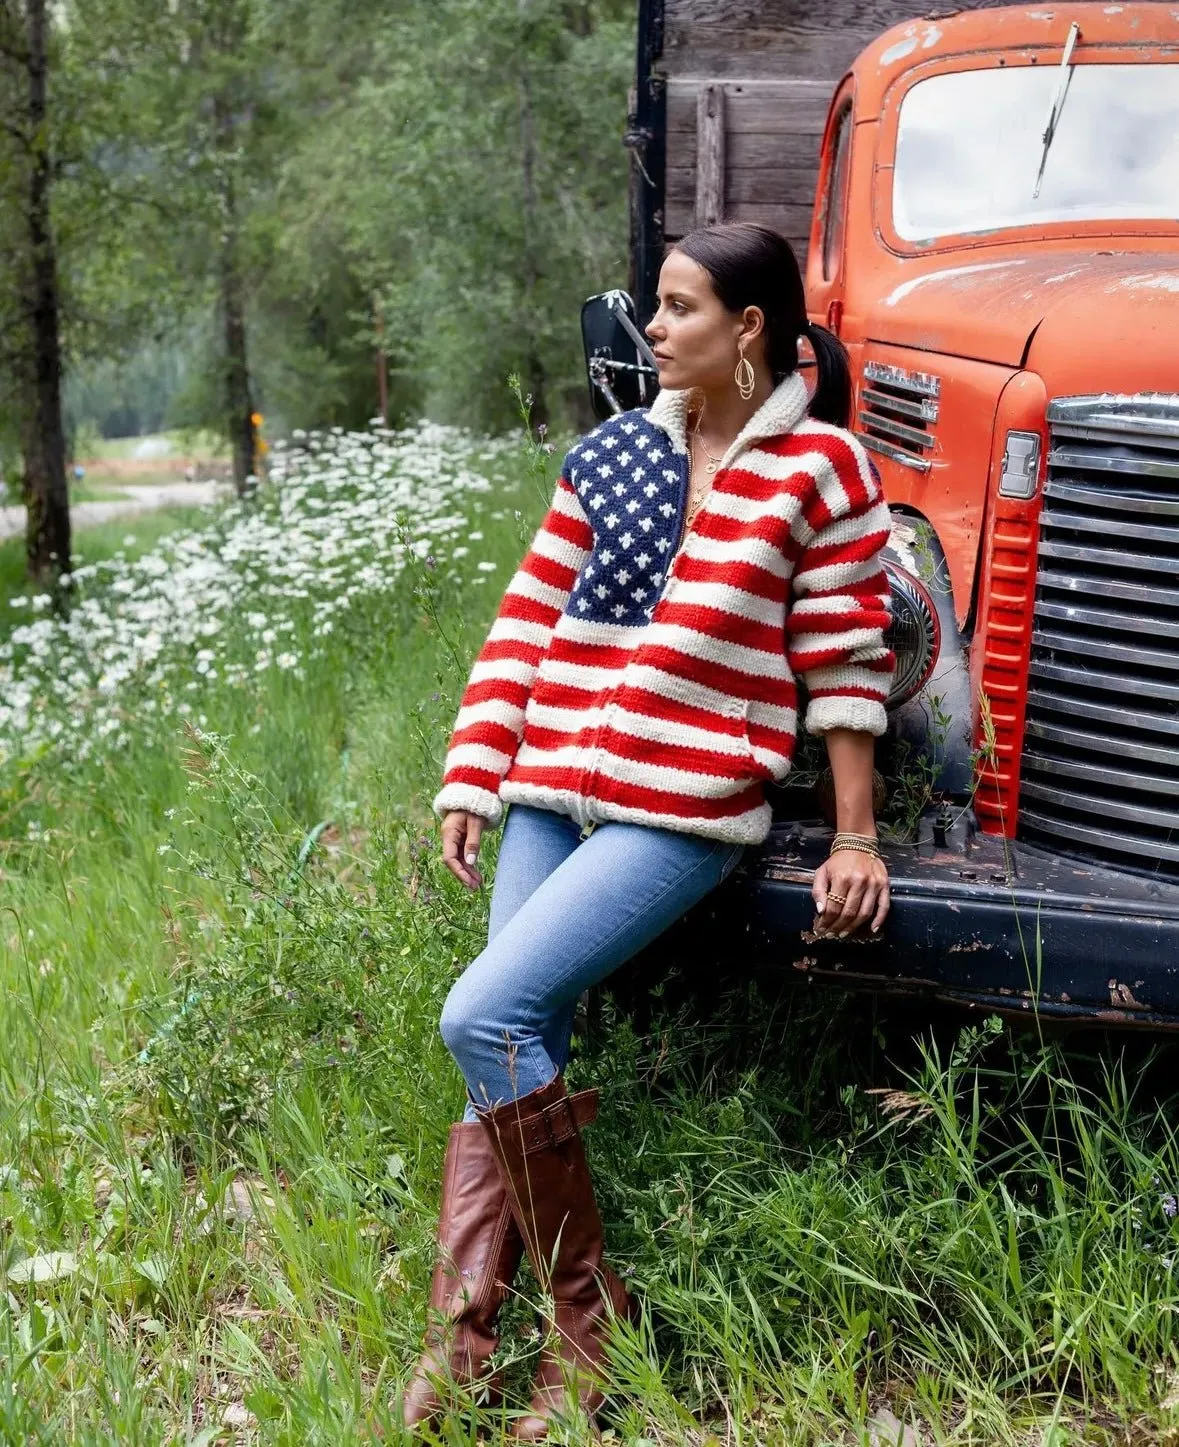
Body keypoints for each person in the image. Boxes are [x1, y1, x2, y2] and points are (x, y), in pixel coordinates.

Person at [402, 220, 896, 1439]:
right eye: (653, 306)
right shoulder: (611, 456)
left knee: (484, 1013)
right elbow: (527, 625)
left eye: (677, 308)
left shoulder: (822, 474)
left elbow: (844, 667)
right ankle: (469, 1334)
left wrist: (857, 837)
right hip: (548, 792)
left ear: (749, 332)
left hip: (679, 807)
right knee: (518, 1029)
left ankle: (583, 1318)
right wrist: (477, 775)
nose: (652, 328)